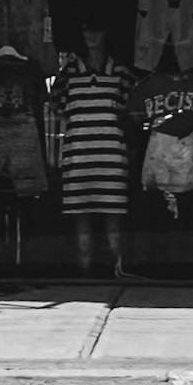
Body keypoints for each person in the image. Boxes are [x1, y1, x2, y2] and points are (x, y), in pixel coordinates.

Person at [53, 16, 133, 277]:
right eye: (86, 30)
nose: (91, 36)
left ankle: (117, 272)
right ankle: (84, 274)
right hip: (78, 156)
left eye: (96, 30)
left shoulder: (119, 72)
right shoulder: (68, 73)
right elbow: (57, 107)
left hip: (111, 156)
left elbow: (129, 109)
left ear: (106, 33)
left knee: (114, 220)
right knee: (81, 221)